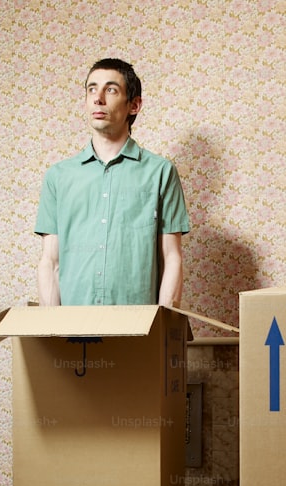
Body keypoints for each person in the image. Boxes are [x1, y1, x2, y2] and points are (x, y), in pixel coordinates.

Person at [35, 58, 190, 307]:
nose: (98, 98)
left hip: (137, 328)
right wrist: (52, 331)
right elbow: (50, 261)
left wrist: (162, 329)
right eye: (92, 89)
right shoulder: (58, 177)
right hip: (74, 329)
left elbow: (172, 257)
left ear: (134, 105)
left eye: (111, 90)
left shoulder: (160, 172)